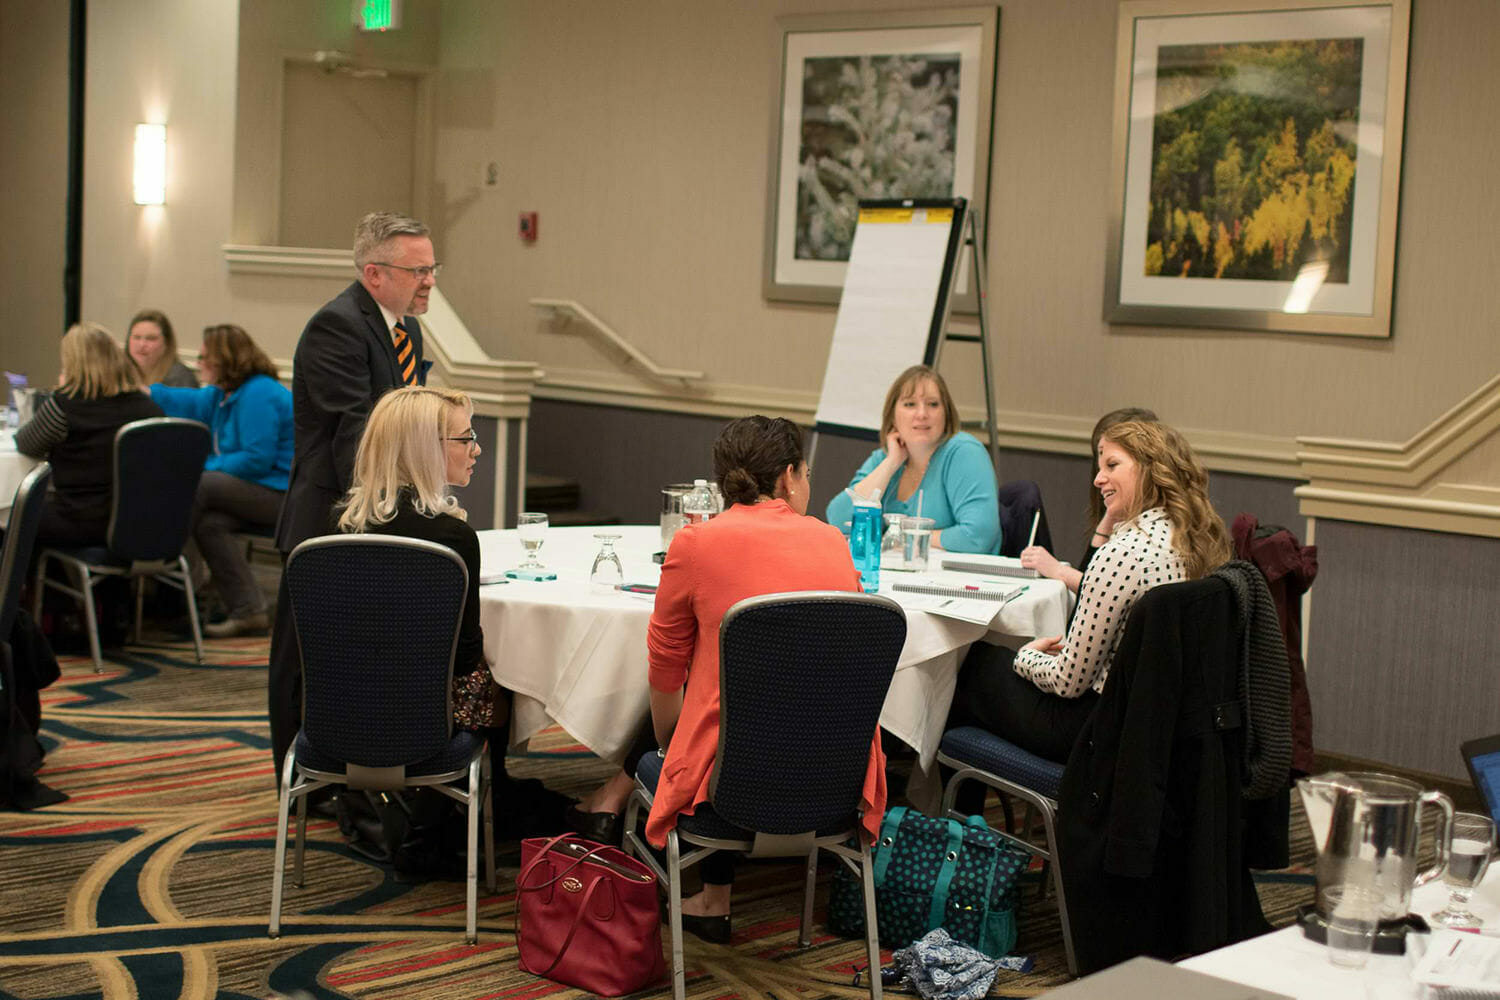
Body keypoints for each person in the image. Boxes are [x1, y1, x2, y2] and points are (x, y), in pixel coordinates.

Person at [643, 415, 886, 942]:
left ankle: (704, 899)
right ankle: (716, 900)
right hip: (832, 782)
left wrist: (669, 748)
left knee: (690, 732)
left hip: (727, 789)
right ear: (790, 477)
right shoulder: (833, 544)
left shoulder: (695, 544)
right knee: (760, 708)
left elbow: (665, 675)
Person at [946, 420, 1232, 763]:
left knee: (974, 663)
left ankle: (952, 810)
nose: (1098, 479)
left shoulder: (1121, 553)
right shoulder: (1193, 540)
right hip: (1157, 728)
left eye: (1112, 465)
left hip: (1092, 731)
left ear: (1150, 470)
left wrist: (1028, 656)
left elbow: (1068, 681)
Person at [267, 210, 436, 778]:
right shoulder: (336, 325)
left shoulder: (403, 327)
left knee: (352, 657)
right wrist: (388, 512)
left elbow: (404, 425)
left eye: (433, 268)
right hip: (329, 514)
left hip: (375, 508)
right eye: (419, 271)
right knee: (303, 658)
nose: (430, 280)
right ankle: (295, 774)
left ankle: (355, 764)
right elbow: (355, 433)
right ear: (374, 273)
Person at [148, 324, 293, 638]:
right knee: (210, 524)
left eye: (205, 358)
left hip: (280, 493)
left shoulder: (259, 392)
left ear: (225, 360)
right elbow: (183, 401)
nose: (198, 363)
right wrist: (142, 392)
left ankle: (167, 580)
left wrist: (204, 465)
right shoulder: (222, 394)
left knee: (197, 485)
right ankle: (248, 610)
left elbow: (256, 459)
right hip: (255, 488)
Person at [15, 323, 163, 549]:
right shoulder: (148, 408)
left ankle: (25, 584)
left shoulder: (65, 406)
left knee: (17, 516)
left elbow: (27, 444)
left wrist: (62, 391)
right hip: (139, 522)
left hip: (81, 520)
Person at [825, 365, 1000, 554]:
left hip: (961, 579)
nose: (922, 414)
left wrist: (902, 537)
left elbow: (977, 536)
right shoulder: (884, 458)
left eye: (933, 404)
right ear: (892, 415)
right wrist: (891, 463)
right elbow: (838, 521)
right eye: (910, 404)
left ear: (946, 413)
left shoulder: (964, 452)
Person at [1019, 407, 1158, 592]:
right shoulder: (1122, 513)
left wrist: (1059, 571)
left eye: (1112, 464)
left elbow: (1102, 593)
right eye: (1100, 460)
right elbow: (1092, 575)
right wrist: (1108, 519)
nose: (1098, 479)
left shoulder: (1142, 536)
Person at [127, 309, 198, 388]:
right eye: (137, 337)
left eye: (151, 338)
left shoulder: (180, 378)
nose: (142, 344)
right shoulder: (121, 373)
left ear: (167, 343)